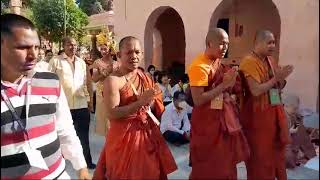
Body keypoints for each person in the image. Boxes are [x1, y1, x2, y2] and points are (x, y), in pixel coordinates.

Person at [1, 13, 90, 179]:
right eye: (22, 47)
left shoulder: (49, 81)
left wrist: (81, 167)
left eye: (36, 47)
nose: (33, 55)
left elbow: (65, 130)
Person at [93, 36, 177, 179]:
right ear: (119, 55)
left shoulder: (145, 76)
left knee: (151, 171)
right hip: (124, 136)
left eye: (137, 52)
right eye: (129, 53)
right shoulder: (113, 81)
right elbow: (112, 113)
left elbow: (151, 105)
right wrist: (140, 102)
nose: (134, 56)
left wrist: (152, 99)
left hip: (146, 133)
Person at [187, 28, 249, 179]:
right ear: (209, 43)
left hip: (223, 122)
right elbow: (198, 99)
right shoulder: (199, 66)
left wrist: (232, 86)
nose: (225, 47)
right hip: (207, 124)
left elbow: (229, 87)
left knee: (225, 162)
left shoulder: (218, 63)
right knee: (207, 164)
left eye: (227, 44)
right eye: (221, 43)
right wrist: (224, 86)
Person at [239, 30, 294, 180]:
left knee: (276, 156)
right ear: (258, 43)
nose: (272, 46)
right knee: (260, 159)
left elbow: (278, 86)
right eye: (269, 42)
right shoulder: (249, 61)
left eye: (274, 43)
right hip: (257, 118)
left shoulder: (270, 60)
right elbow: (256, 90)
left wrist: (282, 78)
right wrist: (277, 78)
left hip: (274, 114)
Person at [48, 37, 96, 169]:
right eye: (69, 44)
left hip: (81, 104)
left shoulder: (81, 62)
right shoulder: (55, 61)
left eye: (75, 45)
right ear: (63, 46)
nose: (73, 47)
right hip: (63, 106)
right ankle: (58, 163)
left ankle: (87, 161)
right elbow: (48, 82)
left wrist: (90, 101)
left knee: (83, 136)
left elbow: (87, 83)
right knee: (61, 136)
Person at [92, 31, 119, 136]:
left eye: (105, 49)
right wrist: (104, 73)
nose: (103, 51)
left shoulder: (116, 64)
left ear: (110, 49)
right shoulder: (97, 63)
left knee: (113, 120)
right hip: (101, 94)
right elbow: (94, 79)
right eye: (101, 49)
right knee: (104, 120)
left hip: (114, 93)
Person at [283, 94, 317, 169]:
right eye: (294, 109)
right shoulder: (280, 116)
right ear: (287, 106)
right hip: (284, 145)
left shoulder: (293, 115)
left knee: (301, 129)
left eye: (296, 109)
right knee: (289, 160)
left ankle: (310, 156)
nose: (295, 111)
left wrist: (309, 129)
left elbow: (297, 127)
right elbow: (276, 134)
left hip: (293, 143)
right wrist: (289, 131)